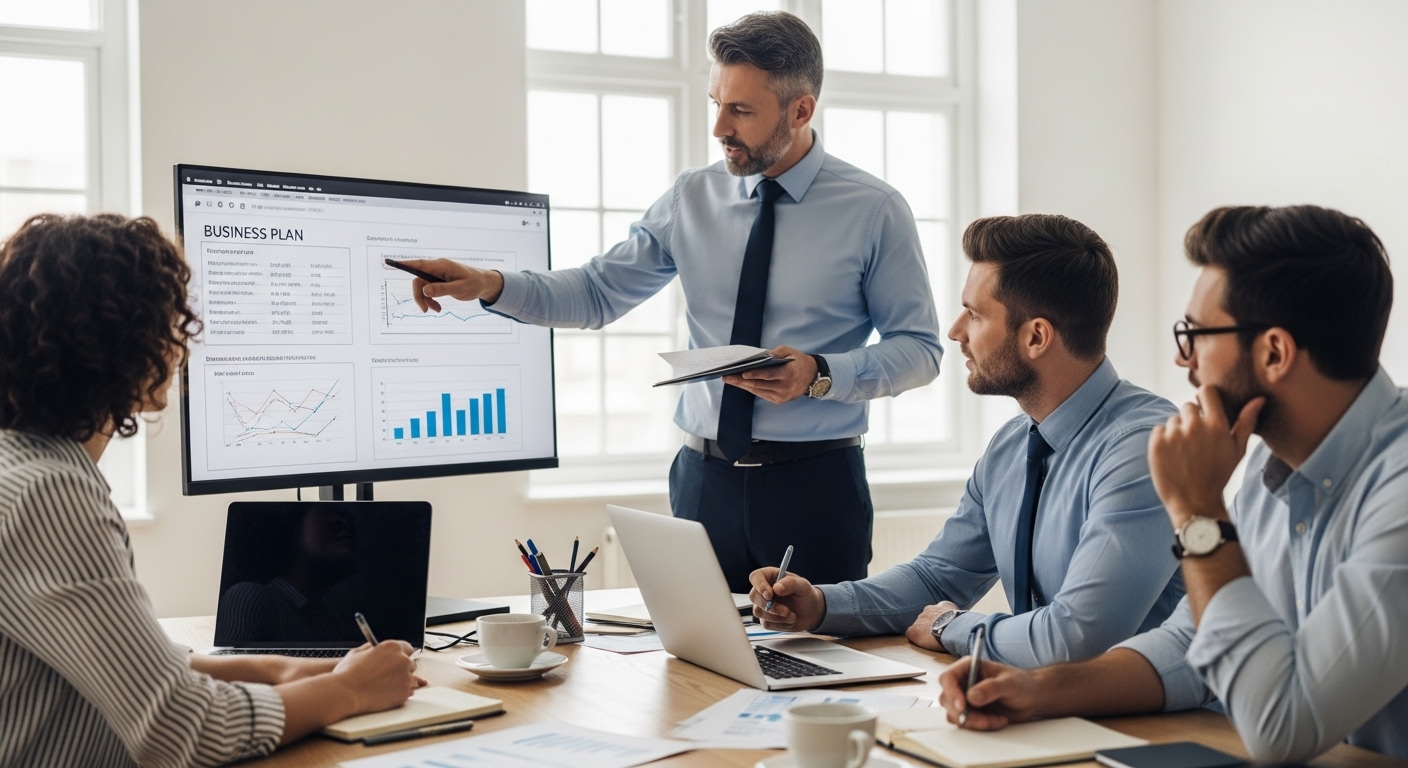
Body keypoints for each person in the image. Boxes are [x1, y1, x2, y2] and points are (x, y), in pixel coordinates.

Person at [397, 11, 943, 592]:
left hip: (816, 487)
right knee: (697, 668)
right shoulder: (692, 196)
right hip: (703, 482)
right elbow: (596, 291)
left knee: (821, 665)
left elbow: (921, 349)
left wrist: (821, 374)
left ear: (801, 110)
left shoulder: (874, 209)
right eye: (716, 104)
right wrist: (488, 284)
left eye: (741, 110)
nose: (719, 128)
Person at [937, 205, 1408, 762]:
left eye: (1196, 335)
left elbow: (1284, 727)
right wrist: (1039, 691)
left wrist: (1198, 510)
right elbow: (1193, 645)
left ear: (1274, 352)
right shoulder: (1266, 469)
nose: (1183, 359)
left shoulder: (1395, 489)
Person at [0, 214, 425, 767]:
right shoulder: (49, 495)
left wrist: (290, 669)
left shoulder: (27, 466)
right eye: (168, 317)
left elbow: (134, 664)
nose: (181, 336)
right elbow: (179, 729)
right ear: (120, 340)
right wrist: (348, 692)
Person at [750, 214, 1184, 667]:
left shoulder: (1144, 448)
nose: (956, 331)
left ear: (1036, 336)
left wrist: (950, 626)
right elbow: (938, 577)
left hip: (1162, 724)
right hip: (1050, 703)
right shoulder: (1013, 444)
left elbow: (1077, 638)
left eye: (974, 314)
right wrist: (820, 604)